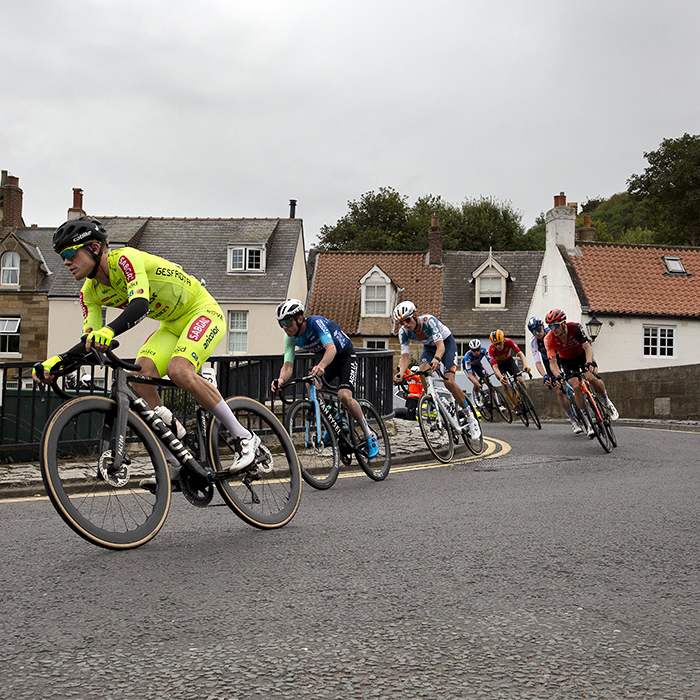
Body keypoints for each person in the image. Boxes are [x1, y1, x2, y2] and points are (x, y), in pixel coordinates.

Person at [33, 216, 260, 490]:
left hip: (201, 310)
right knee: (139, 379)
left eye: (69, 253)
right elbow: (90, 341)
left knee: (179, 370)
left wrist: (109, 332)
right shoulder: (89, 293)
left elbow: (139, 305)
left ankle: (243, 436)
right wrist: (57, 363)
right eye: (62, 257)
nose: (66, 262)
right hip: (172, 325)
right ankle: (176, 461)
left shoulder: (125, 260)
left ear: (94, 248)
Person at [271, 299, 378, 458]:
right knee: (311, 384)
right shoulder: (290, 337)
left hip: (344, 357)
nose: (284, 327)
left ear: (299, 319)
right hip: (330, 362)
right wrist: (281, 380)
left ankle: (370, 434)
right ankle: (333, 418)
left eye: (287, 322)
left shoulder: (316, 323)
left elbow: (331, 348)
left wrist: (321, 365)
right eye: (281, 324)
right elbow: (288, 365)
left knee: (343, 396)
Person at [392, 301, 480, 439]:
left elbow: (441, 346)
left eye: (407, 320)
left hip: (446, 344)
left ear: (414, 315)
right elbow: (404, 357)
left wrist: (437, 359)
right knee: (422, 371)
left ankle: (470, 417)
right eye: (401, 322)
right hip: (429, 348)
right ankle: (437, 401)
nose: (405, 324)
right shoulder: (403, 332)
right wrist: (401, 373)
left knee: (449, 382)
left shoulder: (428, 321)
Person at [543, 308, 619, 436]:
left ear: (563, 323)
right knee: (576, 387)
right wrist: (557, 376)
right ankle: (588, 422)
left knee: (591, 377)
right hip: (567, 361)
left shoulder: (576, 327)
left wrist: (589, 362)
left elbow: (587, 347)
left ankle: (606, 402)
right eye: (550, 326)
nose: (553, 329)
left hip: (582, 355)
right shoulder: (549, 339)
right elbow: (553, 362)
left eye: (555, 325)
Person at [528, 316, 583, 434]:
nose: (537, 333)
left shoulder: (551, 334)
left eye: (538, 329)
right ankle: (573, 421)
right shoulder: (533, 342)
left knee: (576, 382)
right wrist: (545, 376)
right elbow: (538, 362)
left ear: (543, 326)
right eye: (533, 331)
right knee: (558, 390)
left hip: (562, 356)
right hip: (549, 362)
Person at [488, 329, 531, 409]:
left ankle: (525, 398)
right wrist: (501, 377)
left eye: (499, 343)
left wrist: (525, 365)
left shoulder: (509, 342)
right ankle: (514, 405)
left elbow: (520, 354)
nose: (498, 346)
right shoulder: (492, 350)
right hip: (499, 366)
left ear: (503, 340)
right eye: (495, 344)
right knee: (505, 383)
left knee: (520, 380)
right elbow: (495, 367)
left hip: (509, 361)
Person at [461, 338, 491, 405]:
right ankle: (476, 397)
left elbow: (491, 362)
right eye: (474, 351)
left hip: (477, 365)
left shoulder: (484, 350)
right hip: (468, 368)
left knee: (488, 380)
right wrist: (477, 384)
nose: (476, 352)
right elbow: (470, 375)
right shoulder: (467, 357)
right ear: (471, 350)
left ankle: (498, 404)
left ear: (480, 348)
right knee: (476, 381)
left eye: (477, 350)